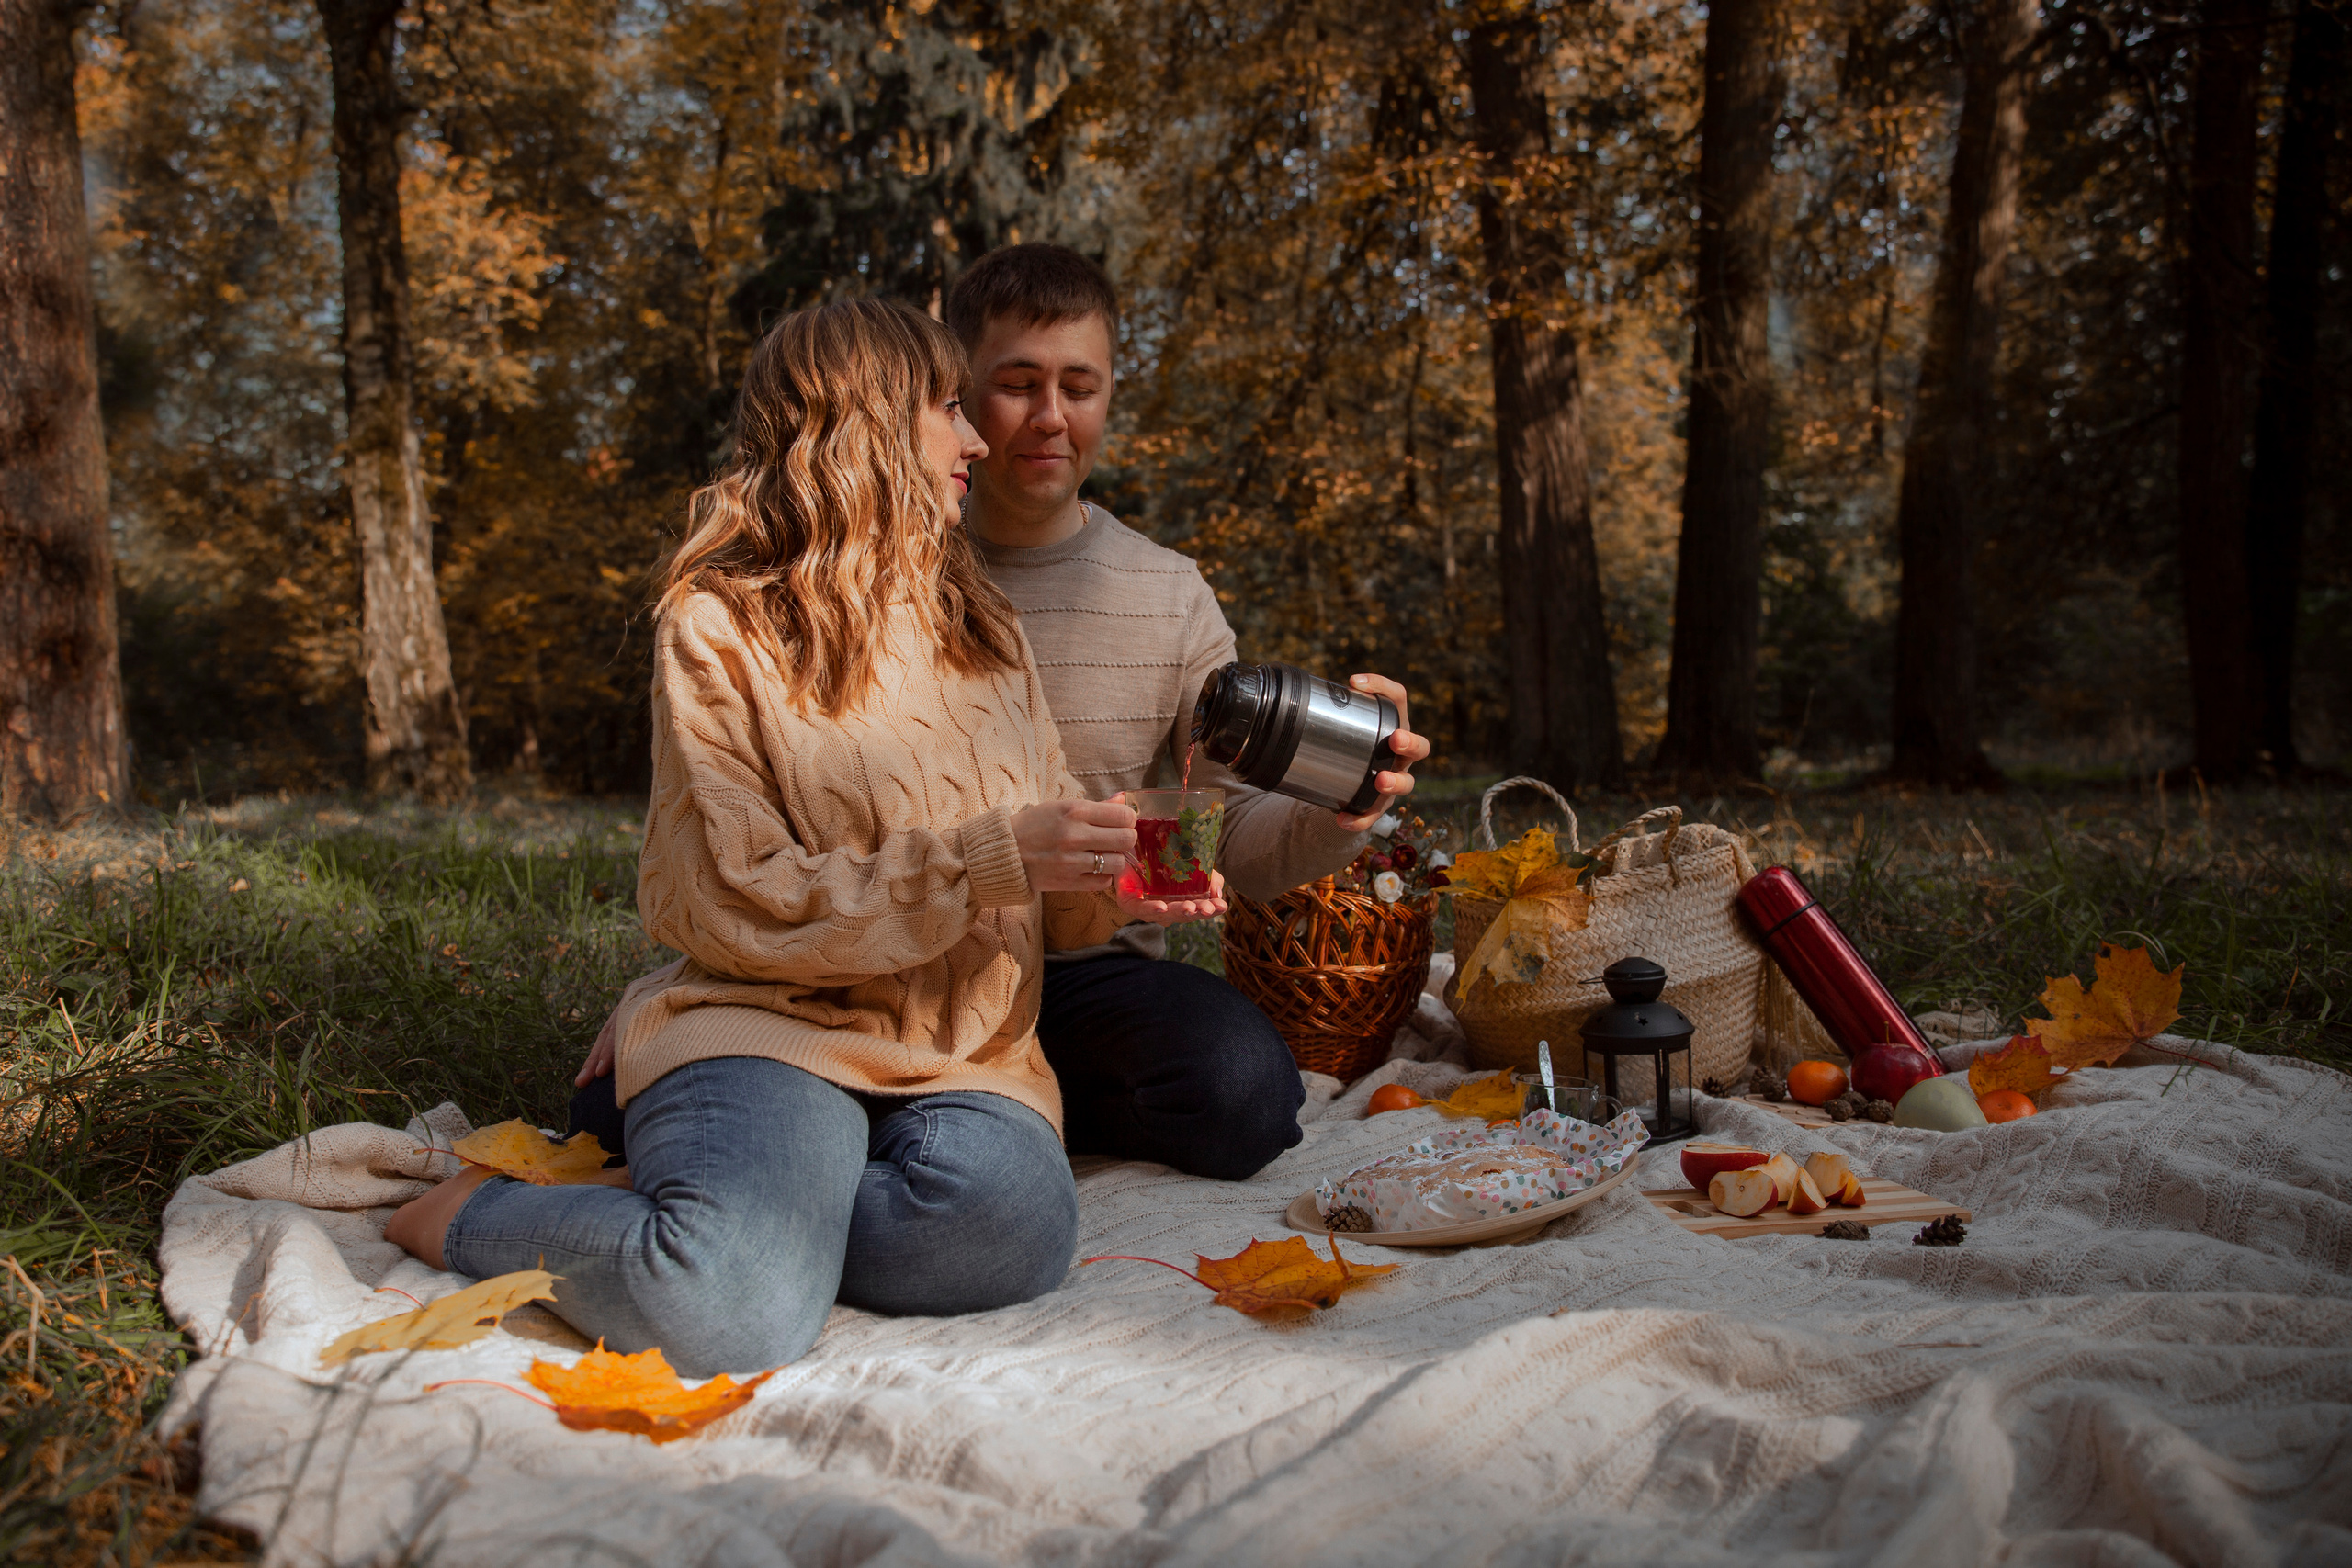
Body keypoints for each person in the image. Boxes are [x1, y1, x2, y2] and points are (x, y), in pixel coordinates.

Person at [384, 298, 1223, 1376]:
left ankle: (731, 1211)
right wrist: (987, 855)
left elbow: (1040, 896)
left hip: (962, 1053)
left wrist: (1110, 885)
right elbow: (735, 894)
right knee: (729, 1307)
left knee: (1007, 1236)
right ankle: (472, 1214)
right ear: (863, 424)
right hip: (768, 1022)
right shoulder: (717, 625)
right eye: (947, 410)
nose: (976, 441)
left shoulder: (983, 625)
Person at [573, 245, 1430, 1182]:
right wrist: (703, 982)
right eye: (1014, 386)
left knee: (1243, 1090)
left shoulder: (1166, 594)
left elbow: (1218, 828)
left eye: (1080, 386)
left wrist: (1338, 805)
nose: (1048, 418)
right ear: (952, 390)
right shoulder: (846, 582)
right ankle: (883, 1126)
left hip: (1074, 960)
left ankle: (948, 1138)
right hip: (855, 959)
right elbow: (748, 846)